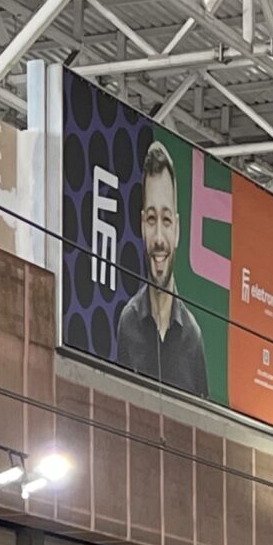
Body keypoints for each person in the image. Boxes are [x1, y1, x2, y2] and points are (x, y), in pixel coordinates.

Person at [111, 142, 209, 397]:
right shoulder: (127, 322)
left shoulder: (193, 336)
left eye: (166, 220)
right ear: (142, 225)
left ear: (176, 229)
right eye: (152, 220)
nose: (158, 238)